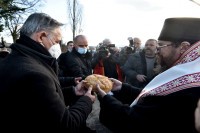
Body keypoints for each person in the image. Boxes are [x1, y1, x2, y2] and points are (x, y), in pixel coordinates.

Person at [96, 17, 200, 133]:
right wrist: (123, 88)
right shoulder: (189, 74)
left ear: (184, 47)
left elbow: (136, 122)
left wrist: (106, 98)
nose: (157, 50)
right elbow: (154, 96)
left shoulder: (189, 86)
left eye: (160, 46)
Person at [0, 13, 96, 133]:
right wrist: (86, 100)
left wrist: (73, 91)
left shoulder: (16, 59)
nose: (58, 46)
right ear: (41, 37)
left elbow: (41, 103)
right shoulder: (35, 74)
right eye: (57, 41)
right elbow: (66, 125)